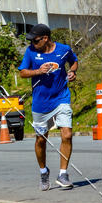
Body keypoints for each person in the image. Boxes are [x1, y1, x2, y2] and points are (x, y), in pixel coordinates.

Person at [18, 23, 78, 191]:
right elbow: (22, 72)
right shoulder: (31, 52)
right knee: (40, 140)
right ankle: (44, 171)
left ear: (45, 39)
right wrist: (37, 71)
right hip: (40, 104)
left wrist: (73, 72)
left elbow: (73, 62)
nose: (32, 44)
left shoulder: (64, 49)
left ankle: (63, 174)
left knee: (67, 134)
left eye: (35, 40)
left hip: (61, 98)